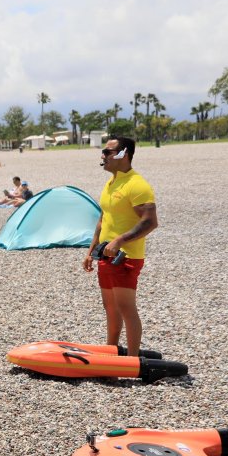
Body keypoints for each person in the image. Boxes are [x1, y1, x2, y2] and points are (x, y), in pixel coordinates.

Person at [82, 136, 158, 358]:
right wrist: (90, 252)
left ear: (124, 155)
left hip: (125, 258)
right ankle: (111, 354)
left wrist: (119, 241)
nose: (103, 156)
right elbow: (102, 219)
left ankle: (133, 360)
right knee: (111, 310)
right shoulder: (111, 182)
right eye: (103, 151)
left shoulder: (137, 184)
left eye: (108, 152)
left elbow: (150, 221)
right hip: (105, 256)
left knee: (126, 309)